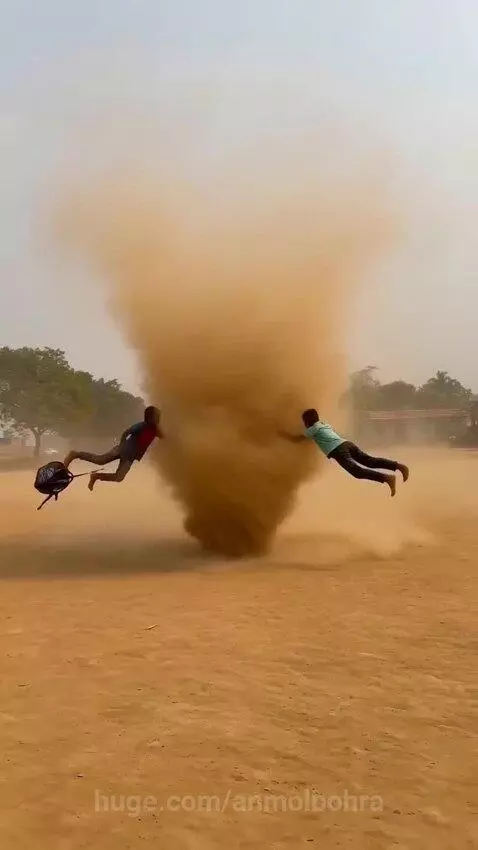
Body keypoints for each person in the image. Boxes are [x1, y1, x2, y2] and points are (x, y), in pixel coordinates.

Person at [280, 408, 409, 497]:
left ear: (307, 422)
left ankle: (387, 478)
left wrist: (282, 434)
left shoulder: (312, 429)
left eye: (304, 422)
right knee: (369, 461)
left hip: (338, 450)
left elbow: (296, 439)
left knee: (356, 471)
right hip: (347, 444)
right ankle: (398, 466)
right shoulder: (323, 424)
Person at [64, 406, 163, 491]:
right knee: (100, 460)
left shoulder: (156, 430)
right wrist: (122, 445)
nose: (158, 418)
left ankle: (96, 476)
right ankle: (75, 454)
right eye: (156, 417)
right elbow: (126, 432)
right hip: (122, 449)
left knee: (119, 477)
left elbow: (167, 436)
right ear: (149, 418)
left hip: (130, 457)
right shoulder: (142, 425)